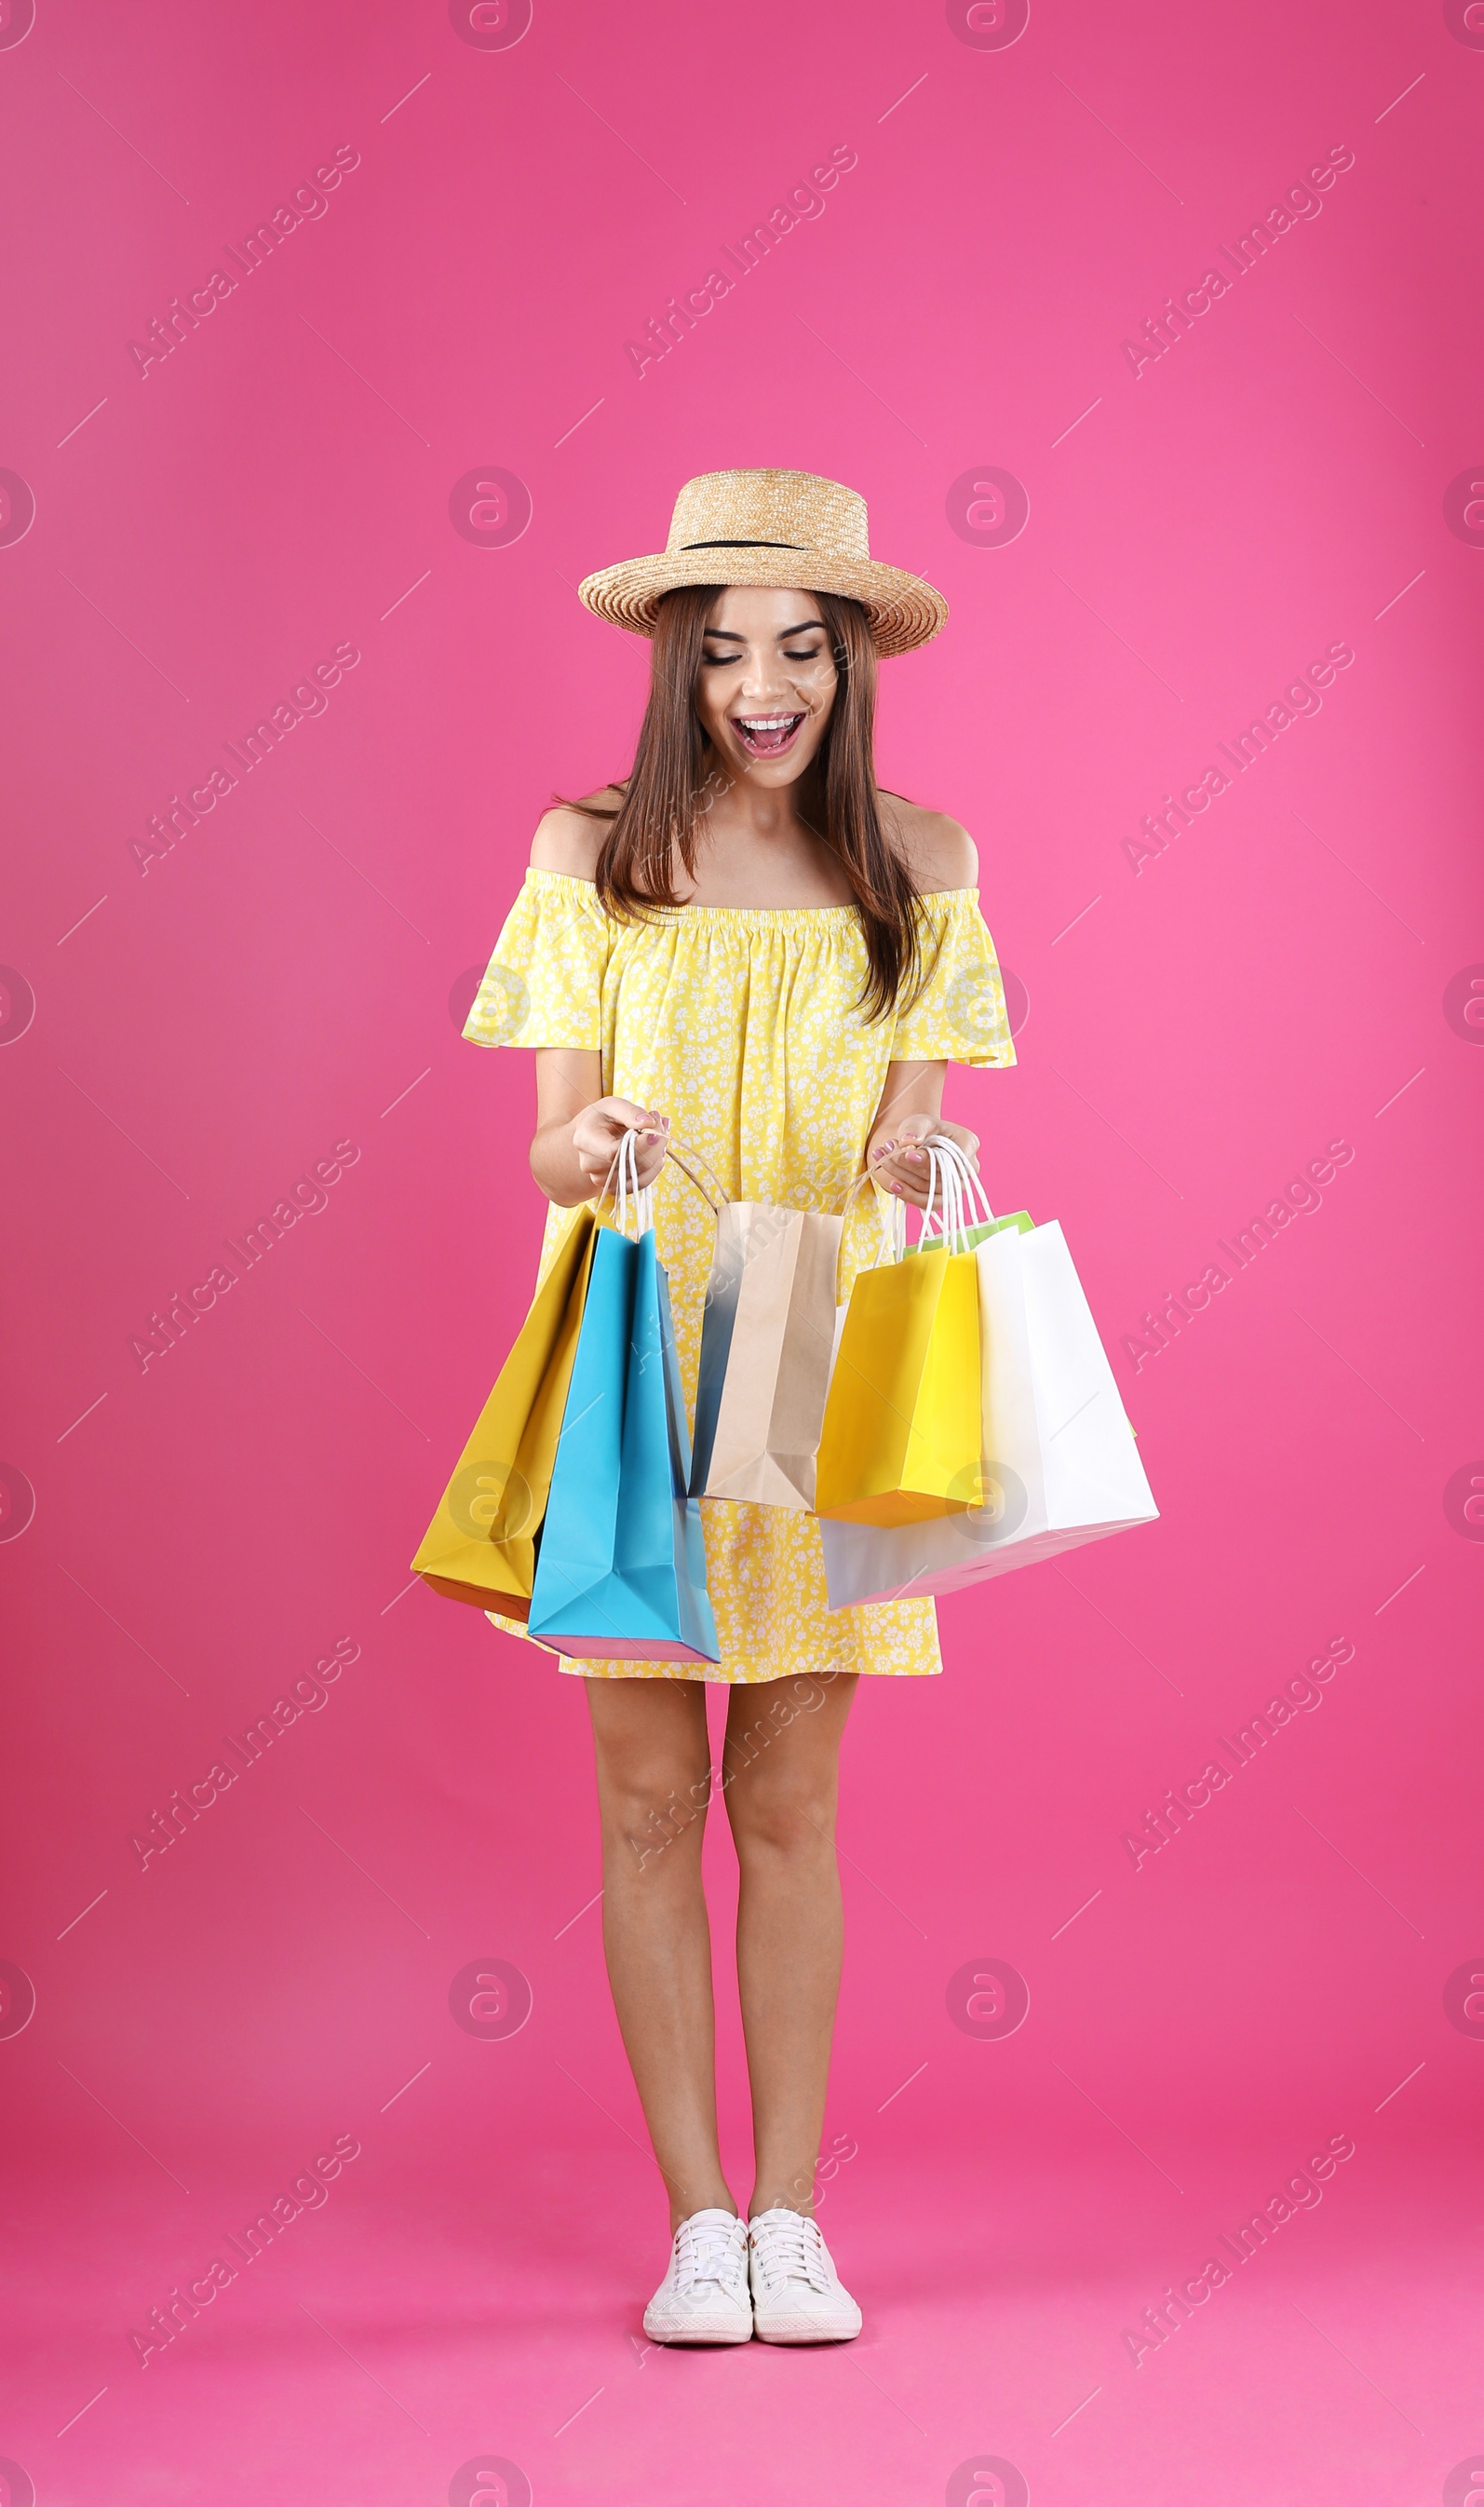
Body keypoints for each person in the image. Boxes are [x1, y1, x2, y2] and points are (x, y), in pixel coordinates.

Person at [463, 469, 1016, 2345]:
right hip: (634, 1345)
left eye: (798, 648)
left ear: (851, 662)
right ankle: (693, 2218)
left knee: (787, 1796)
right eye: (725, 654)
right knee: (643, 1797)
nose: (762, 685)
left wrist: (917, 1145)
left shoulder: (918, 864)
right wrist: (586, 1134)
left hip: (815, 1348)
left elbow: (917, 1136)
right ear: (673, 668)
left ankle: (792, 2214)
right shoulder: (588, 846)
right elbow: (545, 1144)